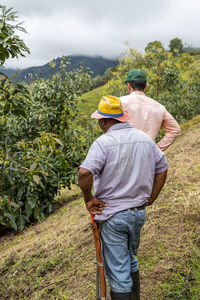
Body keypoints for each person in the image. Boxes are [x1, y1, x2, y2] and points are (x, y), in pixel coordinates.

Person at [78, 95, 168, 300]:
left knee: (118, 272)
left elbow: (84, 173)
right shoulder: (144, 139)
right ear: (122, 117)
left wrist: (88, 198)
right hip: (138, 214)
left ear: (103, 121)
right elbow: (163, 167)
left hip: (113, 216)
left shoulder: (103, 143)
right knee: (129, 259)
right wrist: (152, 197)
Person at [119, 69, 181, 151]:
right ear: (146, 86)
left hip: (124, 154)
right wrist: (157, 149)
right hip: (148, 156)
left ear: (128, 85)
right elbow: (175, 129)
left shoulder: (120, 102)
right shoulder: (159, 107)